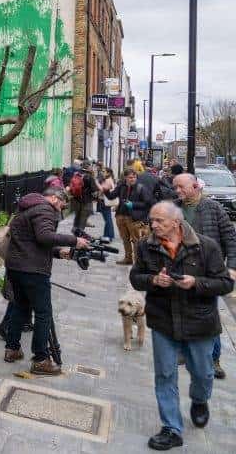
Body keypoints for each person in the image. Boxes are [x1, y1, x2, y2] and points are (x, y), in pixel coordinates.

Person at [129, 202, 234, 451]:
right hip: (163, 321)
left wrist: (196, 283)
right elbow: (135, 278)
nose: (153, 225)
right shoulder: (147, 245)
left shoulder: (205, 246)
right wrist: (153, 280)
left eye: (159, 221)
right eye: (152, 220)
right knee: (165, 374)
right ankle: (171, 428)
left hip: (199, 322)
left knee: (203, 373)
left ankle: (200, 400)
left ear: (176, 223)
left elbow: (225, 284)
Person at [3, 188, 89, 375]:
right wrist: (74, 241)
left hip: (16, 267)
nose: (60, 209)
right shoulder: (44, 209)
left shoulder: (26, 207)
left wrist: (59, 252)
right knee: (43, 313)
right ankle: (41, 359)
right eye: (61, 204)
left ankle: (12, 349)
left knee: (20, 307)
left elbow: (32, 242)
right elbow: (44, 237)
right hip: (33, 271)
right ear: (53, 197)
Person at [172, 173, 236, 380]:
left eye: (181, 187)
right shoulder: (174, 208)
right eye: (175, 187)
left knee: (209, 314)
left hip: (208, 271)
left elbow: (230, 237)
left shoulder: (213, 208)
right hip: (180, 268)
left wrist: (232, 267)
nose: (177, 191)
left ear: (195, 186)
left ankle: (213, 359)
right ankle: (183, 350)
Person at [105, 168, 154, 265]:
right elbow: (111, 196)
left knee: (136, 240)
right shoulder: (121, 186)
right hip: (121, 216)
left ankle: (137, 262)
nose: (132, 179)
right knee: (125, 239)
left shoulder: (141, 188)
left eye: (134, 177)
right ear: (125, 178)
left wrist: (133, 204)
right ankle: (128, 258)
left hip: (134, 218)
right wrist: (106, 190)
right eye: (130, 177)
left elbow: (148, 203)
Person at [69, 161, 99, 237]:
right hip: (86, 200)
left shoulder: (76, 174)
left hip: (76, 200)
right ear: (88, 167)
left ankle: (75, 230)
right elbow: (94, 191)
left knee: (77, 216)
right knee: (83, 217)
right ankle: (79, 234)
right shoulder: (89, 176)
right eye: (90, 166)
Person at [97, 167, 117, 241]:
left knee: (107, 219)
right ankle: (107, 235)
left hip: (105, 202)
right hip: (105, 201)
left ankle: (108, 236)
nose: (102, 172)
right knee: (108, 219)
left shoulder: (108, 180)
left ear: (108, 173)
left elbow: (103, 189)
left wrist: (96, 183)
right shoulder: (109, 179)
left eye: (104, 171)